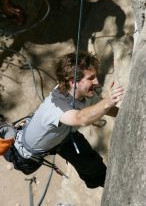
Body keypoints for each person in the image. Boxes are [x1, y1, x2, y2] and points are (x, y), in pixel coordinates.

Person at [0, 51, 124, 189]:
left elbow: (100, 105)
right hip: (23, 157)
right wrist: (108, 101)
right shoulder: (56, 107)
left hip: (62, 136)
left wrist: (122, 112)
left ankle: (109, 186)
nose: (97, 82)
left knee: (93, 166)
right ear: (73, 82)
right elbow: (80, 118)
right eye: (91, 78)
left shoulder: (84, 93)